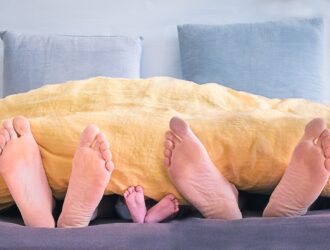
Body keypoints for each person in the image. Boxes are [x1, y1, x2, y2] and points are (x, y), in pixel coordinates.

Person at [0, 116, 179, 227]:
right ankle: (138, 217)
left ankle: (42, 212)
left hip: (119, 201)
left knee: (112, 197)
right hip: (120, 204)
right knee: (111, 200)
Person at [163, 116, 330, 219]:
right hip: (279, 185)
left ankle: (228, 196)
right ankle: (288, 204)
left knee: (239, 196)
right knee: (265, 193)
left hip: (233, 190)